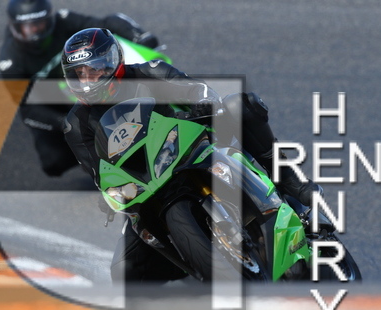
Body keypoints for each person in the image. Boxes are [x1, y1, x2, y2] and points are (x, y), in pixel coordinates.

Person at [61, 28, 319, 283]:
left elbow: (195, 89)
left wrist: (203, 103)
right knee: (123, 272)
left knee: (239, 106)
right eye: (79, 74)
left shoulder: (149, 72)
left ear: (113, 62)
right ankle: (189, 275)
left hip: (189, 145)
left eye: (94, 70)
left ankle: (290, 181)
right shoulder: (75, 124)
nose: (88, 80)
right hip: (144, 183)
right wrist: (109, 195)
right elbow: (100, 172)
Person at [0, 0, 159, 176]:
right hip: (53, 102)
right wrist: (64, 122)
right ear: (16, 27)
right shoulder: (10, 63)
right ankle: (96, 160)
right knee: (53, 161)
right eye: (28, 27)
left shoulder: (63, 20)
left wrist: (139, 37)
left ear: (49, 19)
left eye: (39, 23)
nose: (35, 30)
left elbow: (106, 24)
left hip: (88, 81)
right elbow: (27, 109)